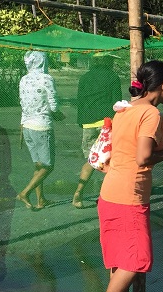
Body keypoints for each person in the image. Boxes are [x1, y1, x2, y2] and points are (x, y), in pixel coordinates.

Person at [97, 60, 163, 292]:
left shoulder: (125, 109)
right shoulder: (150, 113)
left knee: (119, 259)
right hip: (129, 196)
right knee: (137, 259)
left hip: (109, 193)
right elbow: (143, 157)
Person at [72, 53, 122, 208]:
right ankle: (109, 196)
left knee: (92, 160)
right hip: (106, 123)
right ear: (107, 61)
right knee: (110, 161)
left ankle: (78, 192)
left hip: (87, 123)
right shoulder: (113, 77)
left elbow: (79, 101)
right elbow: (117, 103)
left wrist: (81, 121)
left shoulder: (84, 78)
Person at [17, 50, 62, 211]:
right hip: (42, 126)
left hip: (27, 125)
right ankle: (24, 193)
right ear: (43, 62)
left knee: (38, 165)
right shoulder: (46, 79)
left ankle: (41, 199)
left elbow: (23, 102)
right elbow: (54, 105)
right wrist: (58, 114)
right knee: (48, 166)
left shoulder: (23, 79)